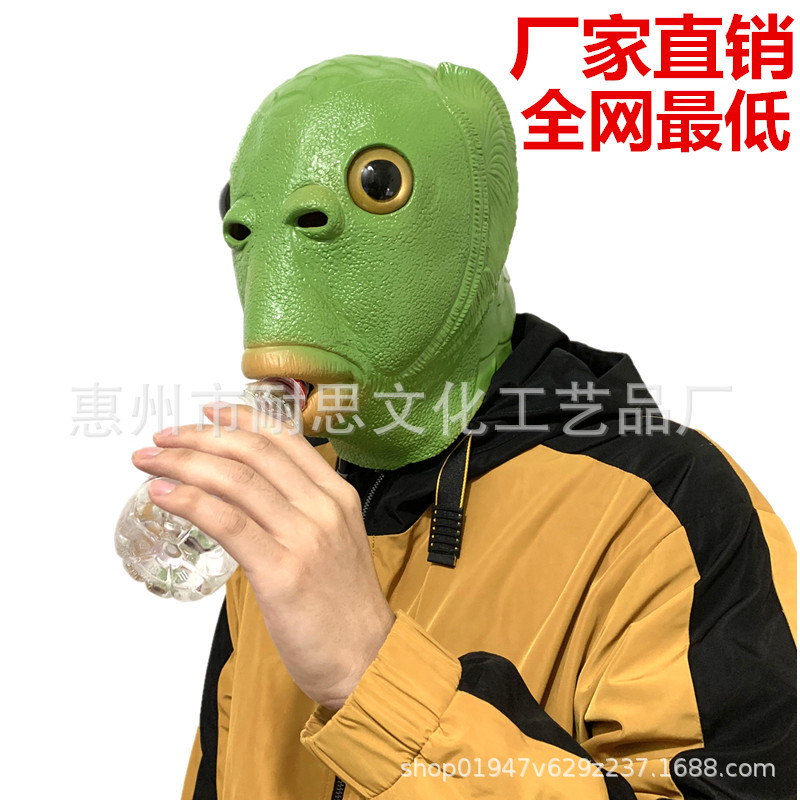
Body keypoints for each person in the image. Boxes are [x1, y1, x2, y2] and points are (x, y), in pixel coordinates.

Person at [131, 55, 796, 799]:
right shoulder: (288, 495)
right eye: (239, 217)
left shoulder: (664, 502)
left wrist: (370, 674)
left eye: (379, 184)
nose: (257, 234)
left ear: (485, 223)